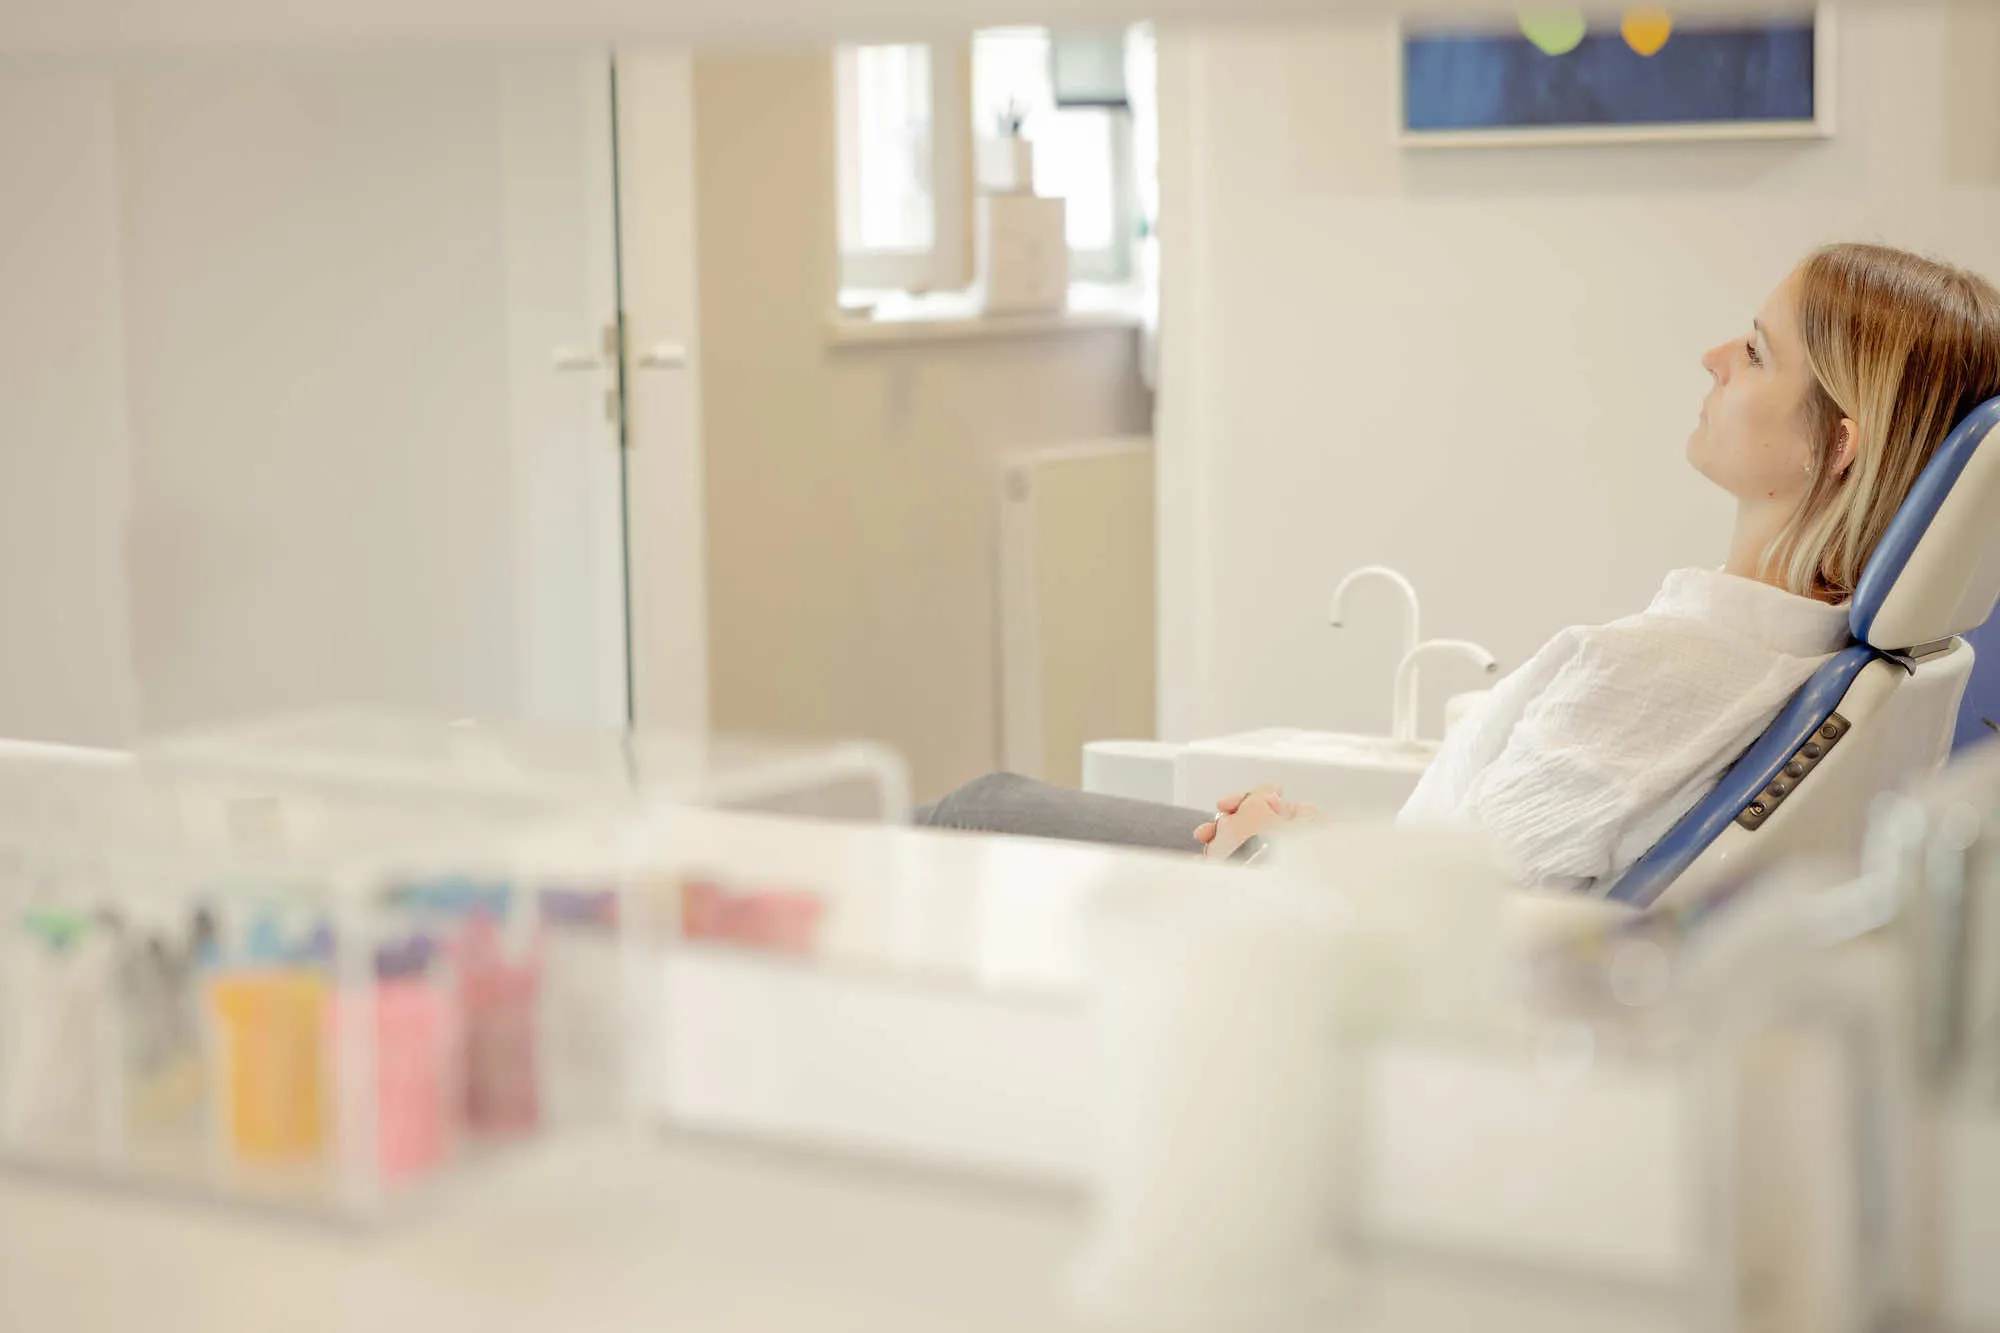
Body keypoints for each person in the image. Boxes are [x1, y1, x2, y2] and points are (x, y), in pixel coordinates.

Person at [918, 243, 2000, 891]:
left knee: (970, 809)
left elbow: (1479, 926)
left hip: (1328, 937)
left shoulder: (1660, 675)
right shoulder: (1829, 662)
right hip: (1374, 886)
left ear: (1838, 442)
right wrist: (1323, 837)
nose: (1713, 360)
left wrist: (1271, 857)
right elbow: (1505, 870)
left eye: (1755, 352)